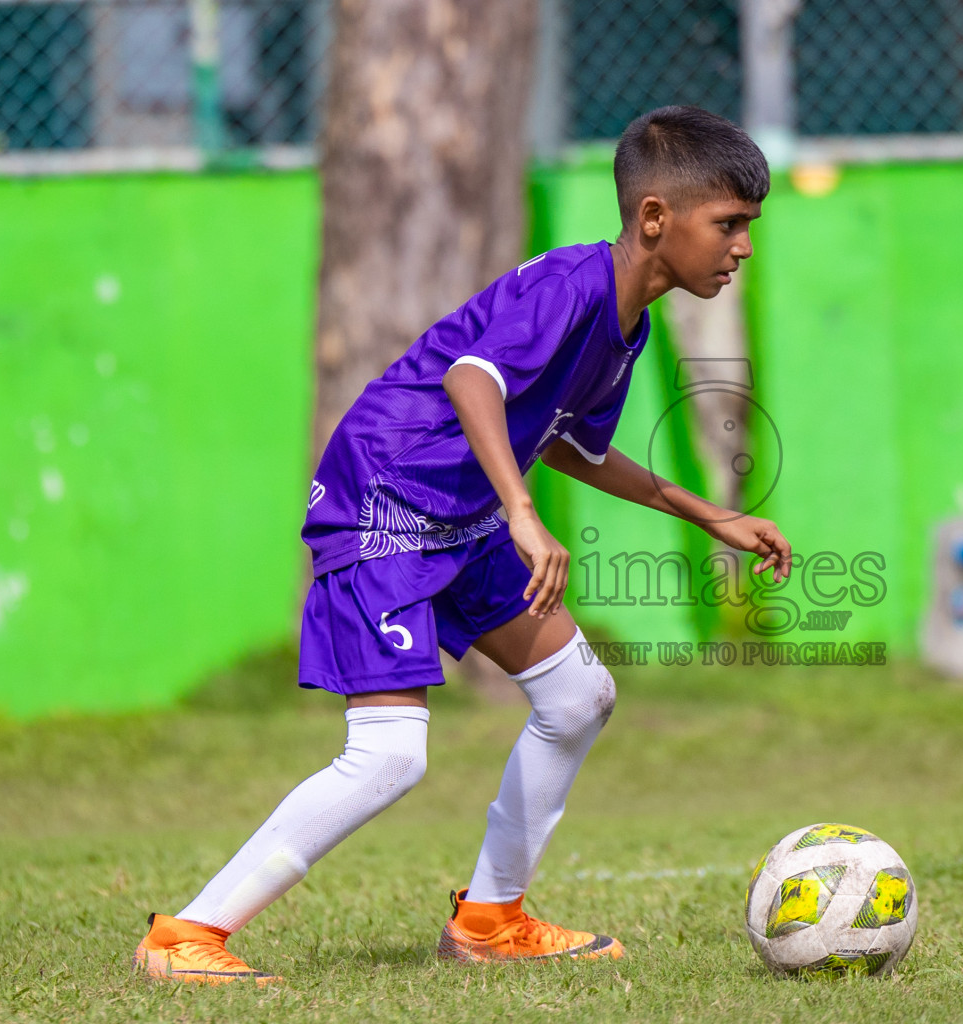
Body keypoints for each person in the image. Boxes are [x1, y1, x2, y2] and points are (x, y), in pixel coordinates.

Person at [133, 105, 791, 982]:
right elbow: (471, 377)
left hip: (462, 513)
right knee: (391, 756)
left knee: (577, 695)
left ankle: (489, 919)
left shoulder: (625, 324)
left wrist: (712, 515)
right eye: (730, 223)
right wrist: (521, 511)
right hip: (389, 499)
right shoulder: (572, 286)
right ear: (655, 219)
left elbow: (573, 446)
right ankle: (186, 936)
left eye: (749, 224)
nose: (743, 245)